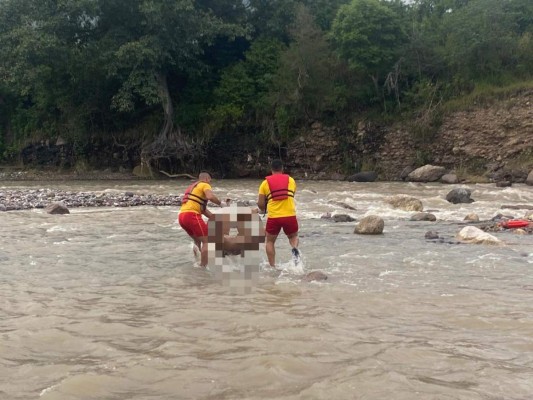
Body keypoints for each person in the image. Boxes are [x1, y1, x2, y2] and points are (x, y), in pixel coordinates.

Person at [257, 159, 300, 268]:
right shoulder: (291, 180)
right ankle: (294, 248)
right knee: (293, 237)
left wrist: (264, 209)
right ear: (282, 169)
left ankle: (272, 266)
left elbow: (260, 203)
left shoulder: (265, 183)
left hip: (274, 217)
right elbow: (292, 195)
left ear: (271, 170)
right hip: (290, 215)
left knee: (270, 241)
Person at [178, 172, 223, 267]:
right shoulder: (205, 184)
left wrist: (216, 218)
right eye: (210, 180)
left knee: (197, 240)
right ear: (207, 178)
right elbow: (210, 197)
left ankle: (197, 261)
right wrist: (220, 203)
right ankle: (203, 267)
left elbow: (203, 210)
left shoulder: (193, 187)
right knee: (207, 241)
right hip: (192, 215)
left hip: (182, 217)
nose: (210, 183)